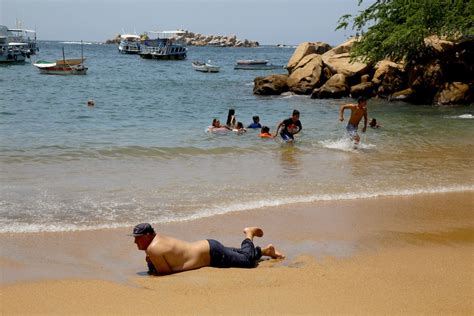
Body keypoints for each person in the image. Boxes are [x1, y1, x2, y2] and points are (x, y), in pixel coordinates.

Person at [132, 223, 285, 275]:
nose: (134, 241)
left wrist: (151, 264)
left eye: (137, 238)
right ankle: (266, 251)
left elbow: (164, 274)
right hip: (208, 247)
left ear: (147, 236)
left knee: (247, 261)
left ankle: (249, 234)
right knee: (238, 254)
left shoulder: (153, 249)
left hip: (211, 254)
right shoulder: (158, 240)